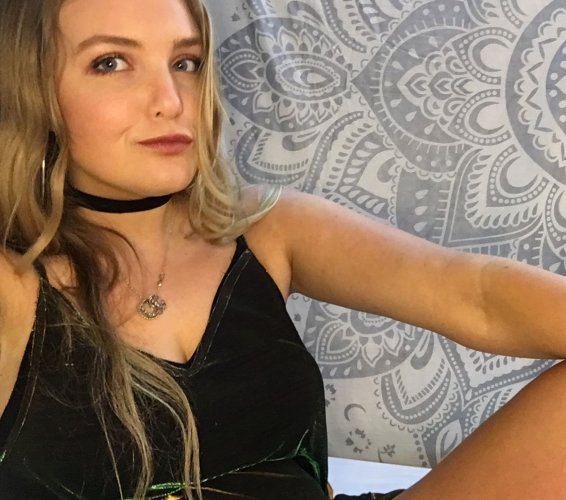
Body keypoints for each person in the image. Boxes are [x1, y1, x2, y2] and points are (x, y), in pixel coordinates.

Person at [1, 0, 566, 498]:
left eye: (185, 62)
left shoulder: (264, 226)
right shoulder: (14, 280)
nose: (171, 101)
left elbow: (475, 294)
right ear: (29, 89)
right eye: (111, 63)